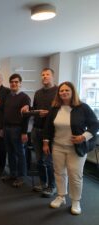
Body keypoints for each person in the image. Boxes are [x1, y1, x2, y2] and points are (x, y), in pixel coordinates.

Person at [43, 81, 99, 215]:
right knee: (59, 173)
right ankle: (61, 196)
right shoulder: (55, 108)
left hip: (76, 148)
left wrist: (83, 136)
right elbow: (48, 127)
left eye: (67, 90)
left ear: (72, 92)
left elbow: (95, 124)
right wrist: (45, 143)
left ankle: (75, 201)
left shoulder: (82, 107)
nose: (64, 93)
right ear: (58, 93)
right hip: (58, 147)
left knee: (75, 175)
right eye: (61, 91)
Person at [21, 68, 58, 197]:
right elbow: (35, 110)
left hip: (51, 133)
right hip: (36, 130)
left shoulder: (59, 92)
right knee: (39, 160)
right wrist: (28, 108)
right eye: (42, 75)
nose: (44, 77)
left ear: (53, 76)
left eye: (47, 74)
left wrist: (48, 114)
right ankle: (43, 183)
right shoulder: (37, 93)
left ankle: (52, 186)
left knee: (49, 162)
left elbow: (61, 112)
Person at [2, 74, 31, 187]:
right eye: (12, 82)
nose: (14, 84)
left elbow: (26, 116)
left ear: (20, 83)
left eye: (16, 82)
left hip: (18, 129)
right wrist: (3, 128)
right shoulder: (8, 96)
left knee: (20, 154)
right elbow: (5, 113)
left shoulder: (24, 97)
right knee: (10, 153)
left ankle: (21, 177)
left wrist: (24, 132)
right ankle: (13, 174)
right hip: (7, 128)